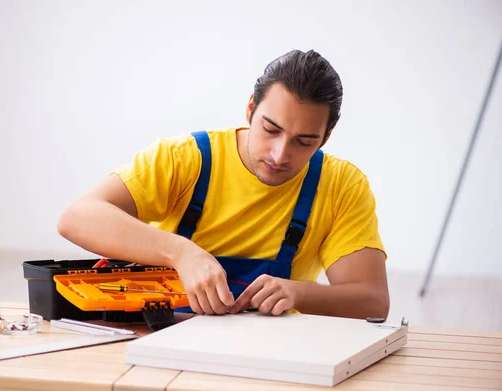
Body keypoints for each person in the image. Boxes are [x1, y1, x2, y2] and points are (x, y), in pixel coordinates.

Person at [57, 49, 390, 319]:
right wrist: (181, 253)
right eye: (270, 129)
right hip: (166, 333)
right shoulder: (185, 158)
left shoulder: (341, 185)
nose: (279, 154)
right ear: (250, 109)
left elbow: (372, 302)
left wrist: (299, 292)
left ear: (326, 137)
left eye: (304, 141)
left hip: (273, 349)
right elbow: (77, 217)